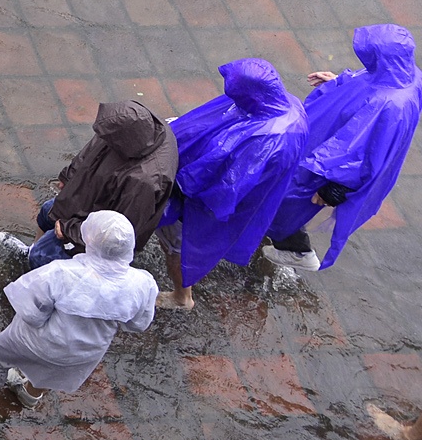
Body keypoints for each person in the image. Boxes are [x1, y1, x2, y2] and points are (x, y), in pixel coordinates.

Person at [0, 210, 157, 410]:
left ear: (89, 238)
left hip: (43, 341)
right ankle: (30, 395)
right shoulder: (142, 284)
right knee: (54, 372)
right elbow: (138, 324)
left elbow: (32, 312)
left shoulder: (61, 272)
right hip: (87, 352)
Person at [260, 24, 422, 274]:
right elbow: (369, 82)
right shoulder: (404, 74)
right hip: (326, 143)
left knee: (285, 198)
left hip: (326, 161)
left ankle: (296, 251)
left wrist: (336, 189)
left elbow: (370, 155)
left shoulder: (390, 106)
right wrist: (341, 82)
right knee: (282, 190)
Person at [154, 60, 309, 309]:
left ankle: (182, 298)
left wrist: (179, 186)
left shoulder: (265, 141)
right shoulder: (289, 105)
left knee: (176, 247)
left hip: (199, 202)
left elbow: (225, 190)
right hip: (263, 186)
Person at [0, 100, 176, 270]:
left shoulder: (145, 182)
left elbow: (118, 230)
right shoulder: (136, 129)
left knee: (43, 256)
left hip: (101, 222)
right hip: (96, 193)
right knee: (47, 212)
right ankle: (32, 250)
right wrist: (70, 175)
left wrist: (70, 231)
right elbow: (96, 145)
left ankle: (38, 272)